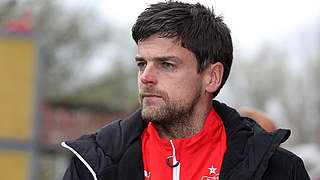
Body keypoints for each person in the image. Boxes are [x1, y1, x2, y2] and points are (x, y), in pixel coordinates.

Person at [61, 1, 310, 179]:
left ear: (212, 77)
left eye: (167, 64)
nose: (146, 77)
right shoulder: (92, 163)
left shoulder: (278, 169)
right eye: (142, 63)